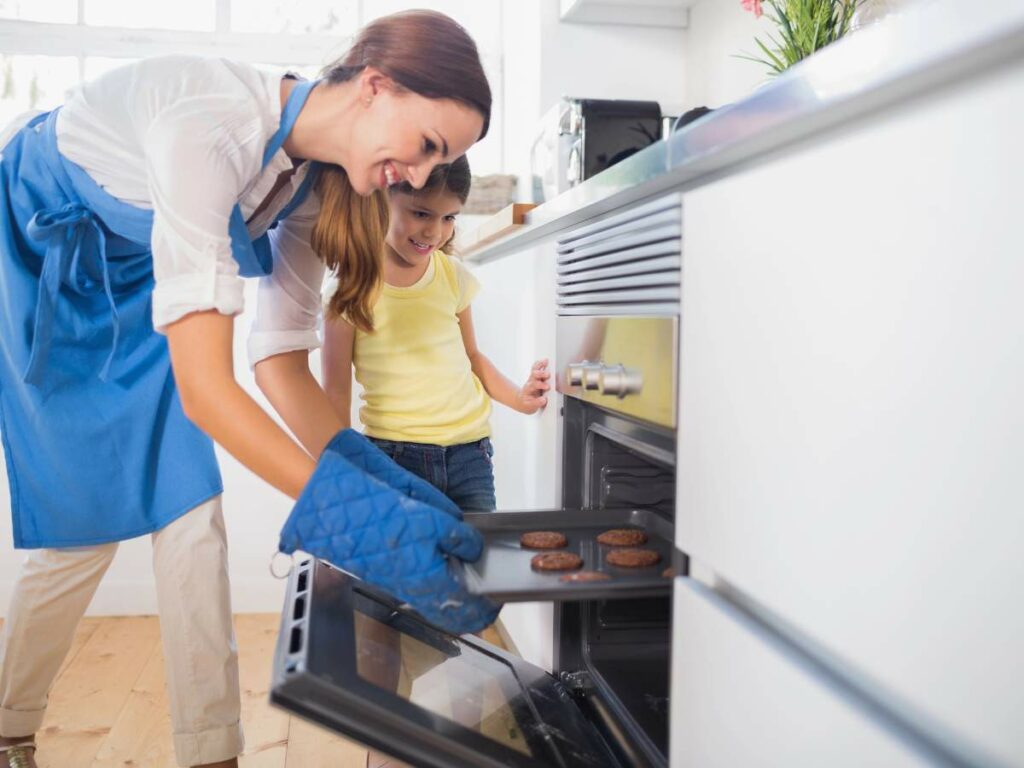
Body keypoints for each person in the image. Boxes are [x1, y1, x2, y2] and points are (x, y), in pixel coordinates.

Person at [0, 10, 493, 768]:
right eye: (428, 146)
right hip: (47, 262)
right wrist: (355, 521)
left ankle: (211, 753)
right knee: (81, 534)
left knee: (191, 513)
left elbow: (280, 365)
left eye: (442, 164)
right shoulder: (211, 128)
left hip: (144, 272)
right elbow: (208, 392)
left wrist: (383, 482)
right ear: (377, 85)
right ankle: (9, 728)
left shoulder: (312, 185)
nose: (422, 177)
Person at [320, 155, 550, 512]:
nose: (434, 231)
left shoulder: (451, 274)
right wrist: (340, 467)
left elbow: (472, 358)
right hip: (394, 456)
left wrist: (519, 398)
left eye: (448, 218)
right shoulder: (349, 287)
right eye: (421, 213)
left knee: (475, 562)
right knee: (406, 565)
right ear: (382, 199)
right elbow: (335, 388)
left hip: (470, 455)